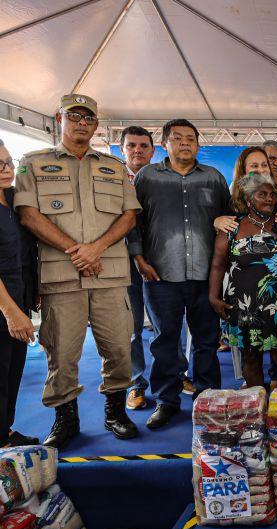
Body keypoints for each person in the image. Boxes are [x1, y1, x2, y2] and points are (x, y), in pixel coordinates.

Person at [15, 94, 141, 449]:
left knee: (119, 347)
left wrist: (96, 249)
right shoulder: (33, 163)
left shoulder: (114, 167)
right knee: (61, 352)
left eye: (89, 118)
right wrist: (79, 252)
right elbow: (27, 214)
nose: (83, 123)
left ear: (96, 125)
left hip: (109, 273)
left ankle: (116, 411)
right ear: (60, 118)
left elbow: (129, 215)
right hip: (61, 276)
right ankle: (65, 419)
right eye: (75, 116)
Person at [129, 118, 229, 429]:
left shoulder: (213, 178)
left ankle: (207, 396)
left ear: (199, 145)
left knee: (206, 339)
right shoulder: (147, 177)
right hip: (159, 273)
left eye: (190, 138)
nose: (184, 143)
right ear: (165, 144)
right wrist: (138, 258)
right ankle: (166, 400)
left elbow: (227, 221)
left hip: (204, 274)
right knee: (165, 340)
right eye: (177, 138)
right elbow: (133, 221)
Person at [209, 173, 277, 388]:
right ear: (248, 199)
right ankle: (258, 413)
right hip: (243, 306)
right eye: (262, 194)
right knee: (251, 360)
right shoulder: (232, 228)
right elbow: (218, 263)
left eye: (272, 194)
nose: (270, 199)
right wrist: (213, 296)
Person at [0, 139, 39, 447]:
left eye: (8, 162)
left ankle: (5, 432)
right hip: (4, 305)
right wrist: (11, 312)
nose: (6, 170)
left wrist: (32, 294)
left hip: (20, 298)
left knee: (12, 373)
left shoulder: (13, 198)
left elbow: (27, 252)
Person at [120, 126, 155, 410]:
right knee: (131, 329)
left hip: (158, 262)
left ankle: (174, 377)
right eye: (132, 145)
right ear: (122, 150)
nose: (138, 150)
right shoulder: (112, 180)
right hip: (122, 265)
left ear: (153, 151)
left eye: (144, 145)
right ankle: (136, 384)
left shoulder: (161, 180)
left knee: (166, 327)